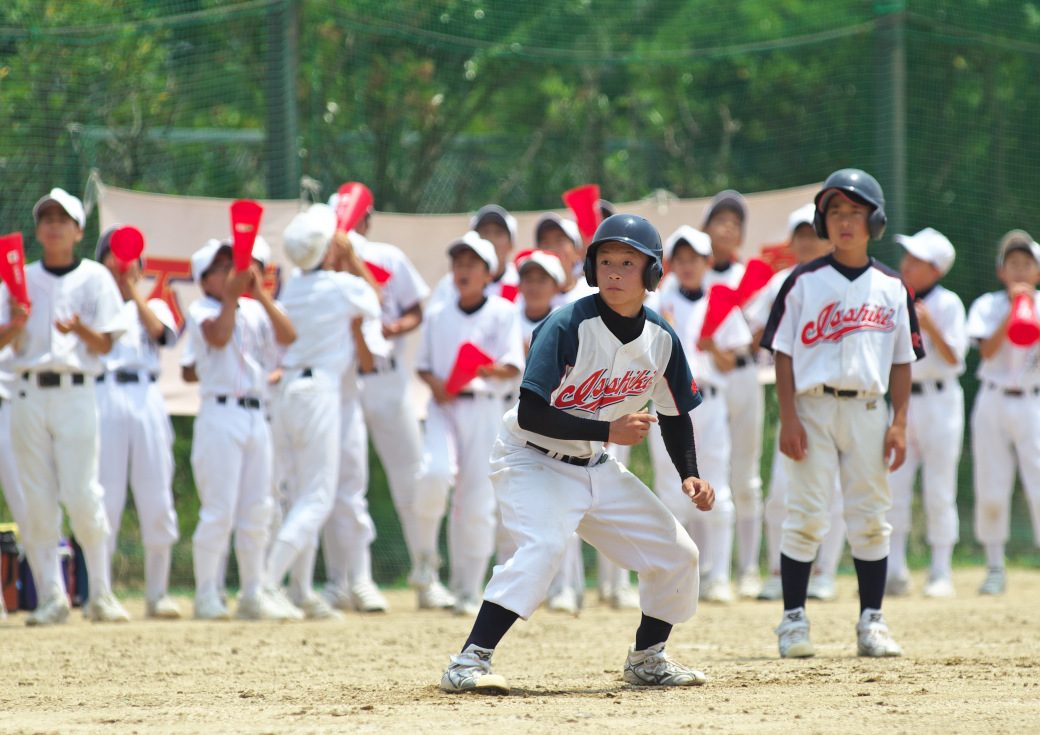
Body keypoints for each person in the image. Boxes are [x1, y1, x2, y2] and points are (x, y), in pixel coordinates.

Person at [440, 214, 714, 695]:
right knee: (544, 546)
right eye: (605, 261)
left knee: (677, 553)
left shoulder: (661, 338)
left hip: (593, 463)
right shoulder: (567, 324)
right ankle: (468, 661)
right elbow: (530, 412)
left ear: (652, 273)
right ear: (590, 269)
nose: (614, 272)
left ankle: (647, 659)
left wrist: (690, 473)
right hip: (531, 457)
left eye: (628, 263)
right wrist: (609, 428)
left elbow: (673, 413)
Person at [760, 169, 923, 658]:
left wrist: (898, 422)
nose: (845, 221)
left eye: (855, 212)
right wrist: (788, 416)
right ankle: (793, 620)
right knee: (806, 515)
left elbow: (902, 361)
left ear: (874, 221)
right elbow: (782, 353)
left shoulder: (892, 287)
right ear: (821, 221)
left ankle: (871, 621)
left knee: (871, 517)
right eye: (835, 212)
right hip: (811, 409)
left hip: (870, 410)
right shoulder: (803, 281)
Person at [0, 187, 131, 625]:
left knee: (81, 492)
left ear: (78, 230)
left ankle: (101, 593)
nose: (54, 225)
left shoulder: (95, 277)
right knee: (36, 498)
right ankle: (52, 596)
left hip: (77, 391)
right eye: (46, 218)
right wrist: (16, 322)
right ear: (37, 230)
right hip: (28, 391)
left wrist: (80, 330)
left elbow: (108, 342)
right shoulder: (18, 279)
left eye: (63, 218)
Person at [262, 204, 382, 620]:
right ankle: (268, 582)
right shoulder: (339, 285)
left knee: (295, 493)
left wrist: (336, 255)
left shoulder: (292, 286)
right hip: (318, 393)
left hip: (289, 389)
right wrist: (351, 257)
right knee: (315, 497)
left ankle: (299, 589)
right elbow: (376, 298)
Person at [181, 238, 298, 620]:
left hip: (256, 414)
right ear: (204, 279)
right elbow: (216, 336)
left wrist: (259, 295)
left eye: (235, 264)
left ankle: (252, 593)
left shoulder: (255, 309)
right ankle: (206, 594)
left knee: (257, 509)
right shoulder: (203, 308)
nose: (232, 272)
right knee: (218, 510)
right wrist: (232, 298)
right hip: (220, 415)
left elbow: (288, 336)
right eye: (221, 267)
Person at [414, 231, 524, 616]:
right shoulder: (437, 314)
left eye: (471, 264)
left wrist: (484, 367)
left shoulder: (502, 311)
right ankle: (425, 563)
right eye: (458, 263)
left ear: (487, 272)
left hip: (484, 406)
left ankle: (468, 588)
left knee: (476, 501)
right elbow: (424, 366)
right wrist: (438, 385)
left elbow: (513, 366)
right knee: (434, 474)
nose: (463, 270)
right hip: (444, 406)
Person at [746, 204, 846, 602]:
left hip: (839, 397)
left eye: (814, 233)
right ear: (791, 241)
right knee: (781, 494)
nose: (808, 240)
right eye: (801, 234)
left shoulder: (844, 280)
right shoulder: (780, 283)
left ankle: (824, 572)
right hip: (795, 399)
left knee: (833, 491)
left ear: (827, 237)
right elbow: (752, 331)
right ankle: (777, 572)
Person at [652, 225, 750, 605]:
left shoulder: (719, 301)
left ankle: (719, 574)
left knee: (716, 486)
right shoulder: (658, 303)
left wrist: (713, 347)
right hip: (668, 402)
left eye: (695, 258)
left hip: (709, 400)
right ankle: (674, 575)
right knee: (669, 490)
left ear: (708, 262)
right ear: (671, 264)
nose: (688, 265)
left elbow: (732, 363)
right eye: (681, 259)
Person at [95, 226, 182, 619]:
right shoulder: (92, 305)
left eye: (130, 259)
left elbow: (161, 335)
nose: (123, 264)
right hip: (104, 393)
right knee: (105, 496)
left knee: (156, 492)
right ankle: (100, 592)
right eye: (114, 257)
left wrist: (132, 290)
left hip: (147, 394)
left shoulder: (154, 304)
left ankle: (157, 593)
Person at [502, 249, 586, 615]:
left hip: (553, 419)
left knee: (561, 502)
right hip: (507, 415)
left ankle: (566, 588)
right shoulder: (505, 317)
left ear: (557, 285)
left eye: (542, 279)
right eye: (528, 278)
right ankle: (513, 588)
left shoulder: (567, 323)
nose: (534, 285)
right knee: (512, 504)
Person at [886, 228, 967, 598]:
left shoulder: (948, 303)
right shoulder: (894, 297)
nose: (907, 263)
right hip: (904, 400)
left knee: (939, 488)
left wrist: (930, 324)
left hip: (940, 400)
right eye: (907, 256)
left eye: (917, 259)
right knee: (895, 486)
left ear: (936, 269)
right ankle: (895, 569)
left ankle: (940, 570)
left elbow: (956, 359)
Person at [966, 230, 1040, 596]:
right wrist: (1013, 309)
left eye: (1027, 263)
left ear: (1038, 271)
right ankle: (995, 565)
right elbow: (987, 351)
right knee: (992, 485)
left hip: (1034, 401)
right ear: (1001, 270)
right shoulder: (987, 304)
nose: (1020, 269)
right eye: (1013, 263)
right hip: (993, 399)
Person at [700, 190, 766, 598]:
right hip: (702, 381)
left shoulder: (749, 278)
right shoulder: (693, 277)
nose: (729, 227)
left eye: (736, 222)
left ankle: (747, 567)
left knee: (745, 475)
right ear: (705, 229)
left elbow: (759, 334)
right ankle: (708, 567)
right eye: (720, 219)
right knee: (704, 475)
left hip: (743, 375)